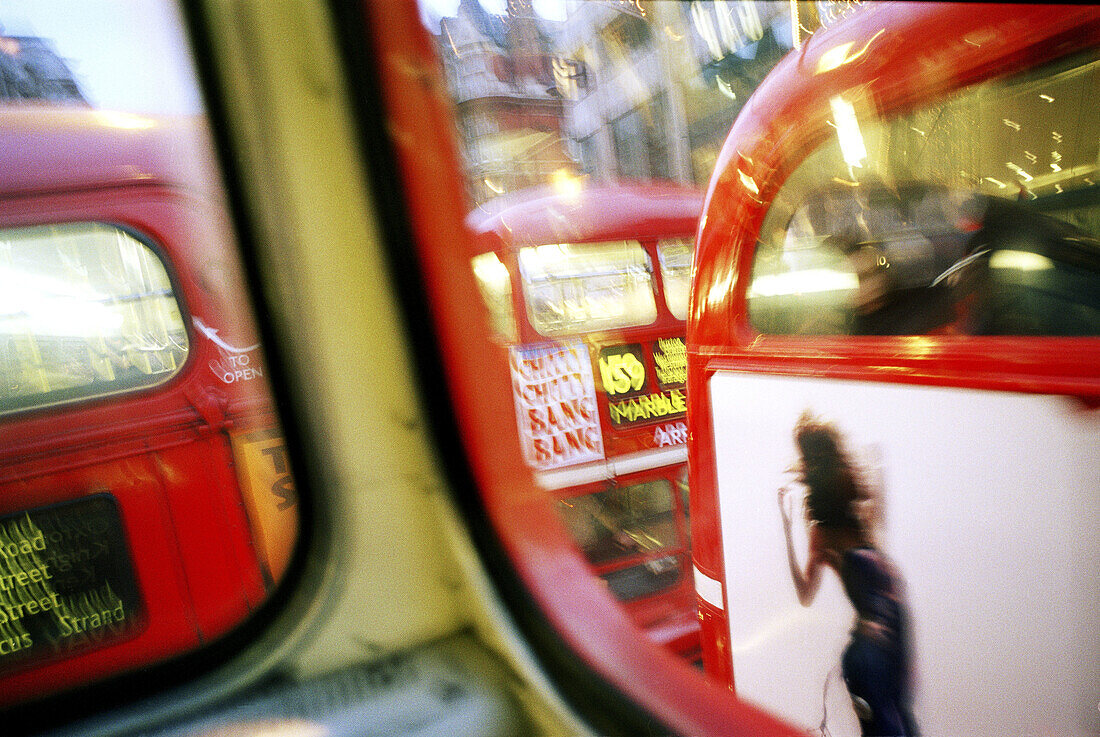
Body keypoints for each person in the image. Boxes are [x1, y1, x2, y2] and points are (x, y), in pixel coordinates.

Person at [778, 412, 917, 736]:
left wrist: (787, 532)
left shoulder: (824, 532)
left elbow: (805, 594)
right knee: (899, 724)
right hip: (890, 629)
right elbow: (879, 533)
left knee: (891, 727)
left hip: (872, 645)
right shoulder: (855, 514)